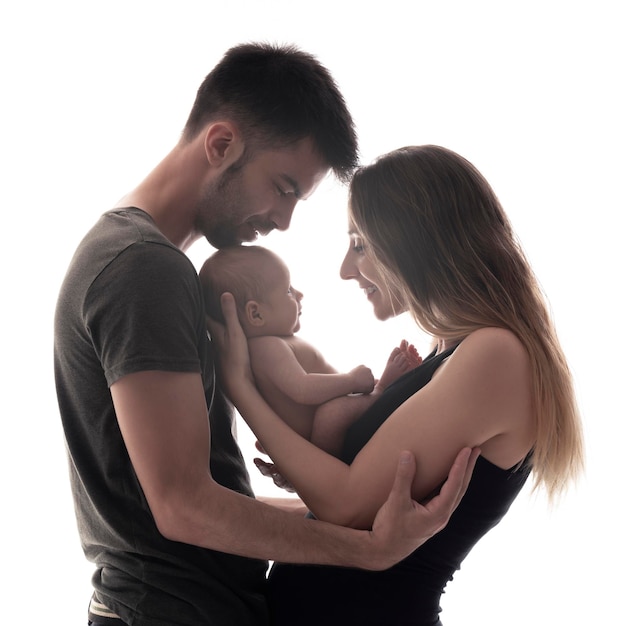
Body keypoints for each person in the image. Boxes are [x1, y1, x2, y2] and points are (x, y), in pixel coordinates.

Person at [54, 43, 478, 626]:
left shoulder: (149, 264)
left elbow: (200, 496)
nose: (283, 221)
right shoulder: (142, 268)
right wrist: (368, 550)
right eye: (283, 187)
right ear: (222, 144)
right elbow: (182, 507)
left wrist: (338, 502)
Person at [211, 144, 585, 625]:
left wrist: (239, 385)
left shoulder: (496, 356)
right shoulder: (449, 352)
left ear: (417, 242)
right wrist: (208, 514)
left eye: (360, 244)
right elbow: (339, 518)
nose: (347, 269)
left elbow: (343, 506)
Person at [199, 245, 422, 458]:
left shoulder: (271, 345)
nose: (299, 294)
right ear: (256, 314)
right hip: (326, 434)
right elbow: (302, 389)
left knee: (339, 407)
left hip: (331, 433)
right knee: (330, 413)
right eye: (288, 290)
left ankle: (385, 389)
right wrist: (351, 381)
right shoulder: (267, 347)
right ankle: (381, 391)